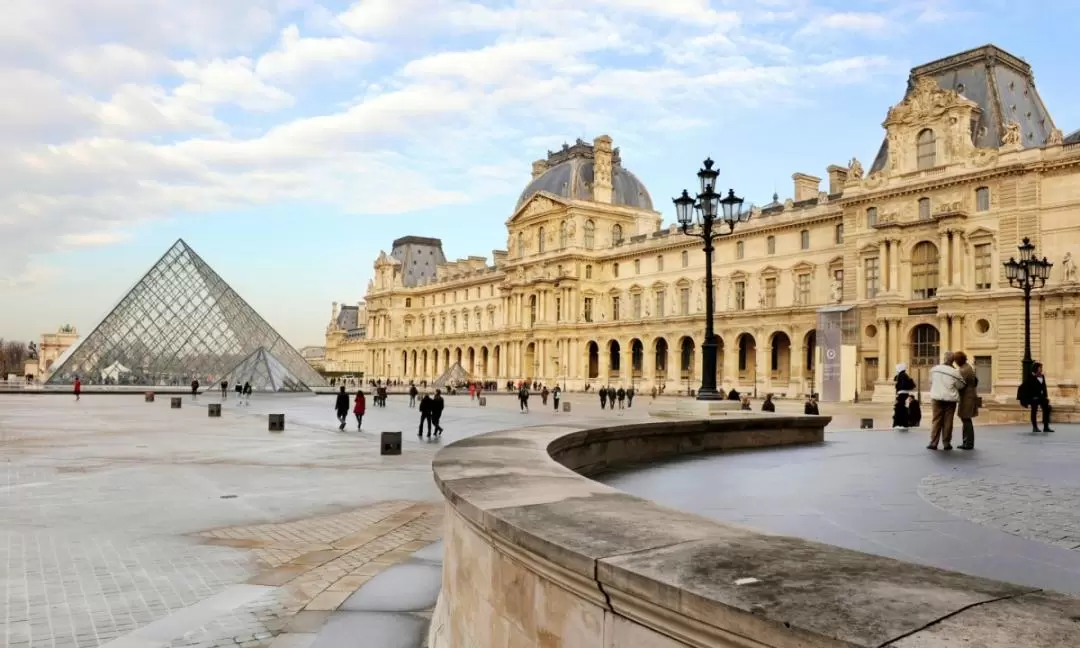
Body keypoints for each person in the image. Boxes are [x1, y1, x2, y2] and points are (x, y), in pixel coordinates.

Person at [928, 351, 964, 450]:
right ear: (953, 361)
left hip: (936, 398)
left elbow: (930, 381)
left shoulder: (934, 369)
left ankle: (933, 443)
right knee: (948, 421)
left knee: (936, 420)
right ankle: (946, 443)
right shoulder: (955, 372)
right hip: (950, 399)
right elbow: (960, 385)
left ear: (944, 359)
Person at [1019, 362, 1054, 434]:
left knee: (1046, 409)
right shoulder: (1031, 376)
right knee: (1034, 411)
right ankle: (1035, 427)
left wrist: (1046, 396)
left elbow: (1044, 387)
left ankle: (1046, 427)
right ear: (1036, 368)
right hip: (1033, 397)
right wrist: (1031, 397)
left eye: (1041, 368)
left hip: (1041, 396)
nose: (1041, 369)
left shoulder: (1042, 376)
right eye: (1040, 367)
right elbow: (1027, 387)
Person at [954, 352, 979, 449]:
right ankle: (966, 442)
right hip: (968, 396)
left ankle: (968, 443)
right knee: (965, 419)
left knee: (966, 419)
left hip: (967, 397)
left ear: (960, 360)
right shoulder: (967, 367)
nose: (955, 362)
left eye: (956, 360)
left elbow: (959, 384)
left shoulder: (964, 370)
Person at [893, 363, 916, 431]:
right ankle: (902, 424)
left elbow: (901, 385)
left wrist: (898, 387)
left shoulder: (902, 375)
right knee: (902, 409)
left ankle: (901, 424)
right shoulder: (904, 375)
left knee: (900, 409)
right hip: (904, 394)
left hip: (902, 394)